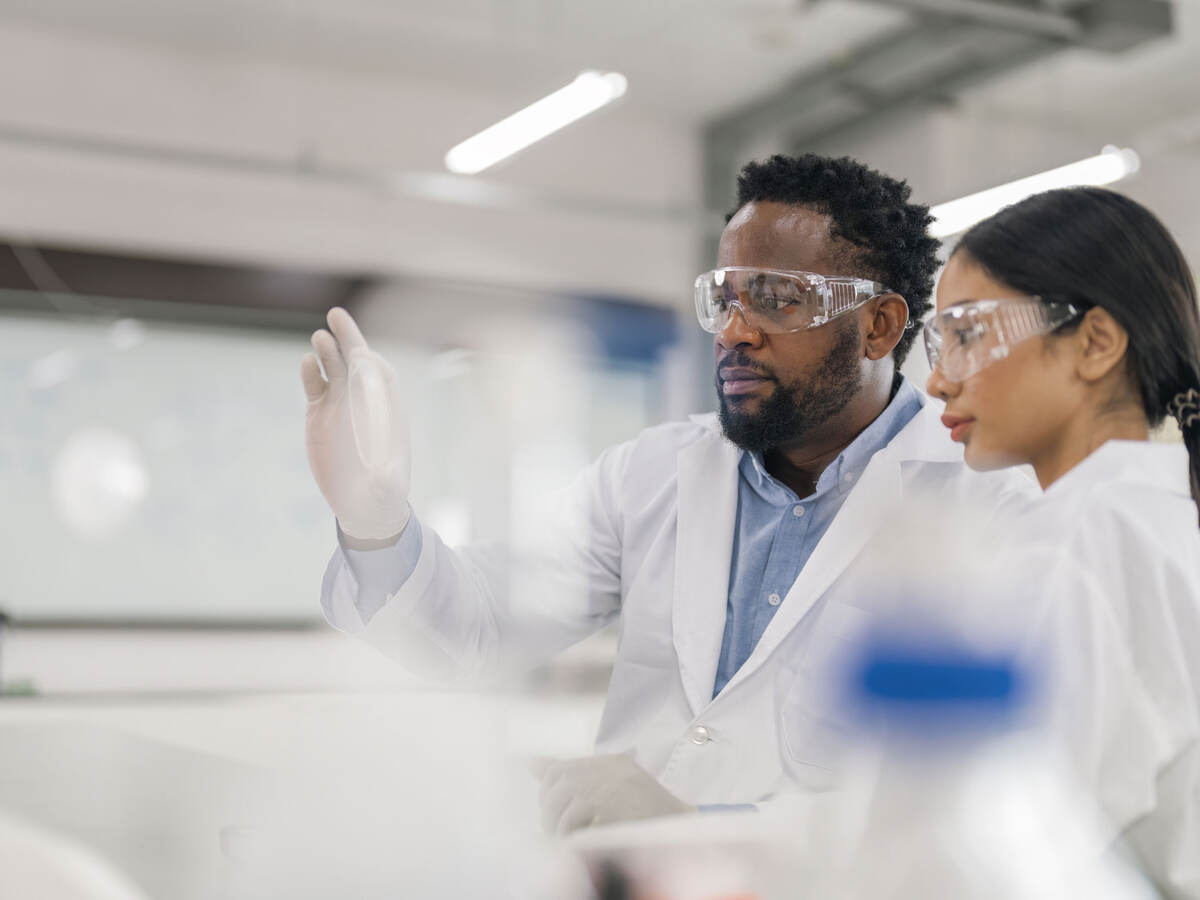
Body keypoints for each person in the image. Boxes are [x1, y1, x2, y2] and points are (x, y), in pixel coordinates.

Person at [302, 154, 1032, 833]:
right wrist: (375, 523)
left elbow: (978, 798)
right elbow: (481, 628)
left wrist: (707, 823)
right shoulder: (650, 473)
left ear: (878, 326)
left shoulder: (984, 505)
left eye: (777, 300)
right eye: (724, 298)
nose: (734, 332)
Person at [924, 186, 1200, 899]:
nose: (935, 379)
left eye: (966, 334)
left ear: (1096, 343)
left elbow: (1002, 855)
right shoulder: (1162, 520)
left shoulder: (1079, 542)